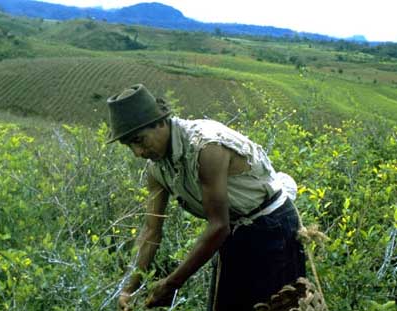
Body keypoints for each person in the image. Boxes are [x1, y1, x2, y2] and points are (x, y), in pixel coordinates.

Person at [107, 84, 306, 311]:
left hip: (272, 227)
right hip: (235, 232)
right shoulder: (157, 168)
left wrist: (170, 284)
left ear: (160, 122)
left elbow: (219, 226)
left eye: (139, 140)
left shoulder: (206, 147)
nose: (137, 153)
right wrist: (130, 288)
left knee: (277, 304)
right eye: (129, 145)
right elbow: (151, 231)